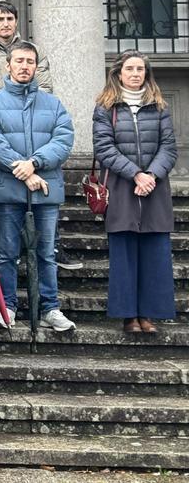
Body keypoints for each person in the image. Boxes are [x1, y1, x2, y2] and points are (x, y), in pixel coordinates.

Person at [0, 42, 75, 332]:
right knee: (7, 253)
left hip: (45, 191)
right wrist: (24, 171)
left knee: (46, 252)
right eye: (19, 61)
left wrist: (34, 162)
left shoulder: (53, 104)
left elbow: (63, 139)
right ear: (8, 65)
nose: (24, 66)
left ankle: (50, 308)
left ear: (36, 67)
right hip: (8, 191)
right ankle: (6, 307)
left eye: (29, 62)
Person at [92, 50, 178, 333]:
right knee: (124, 253)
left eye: (140, 69)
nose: (135, 73)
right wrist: (135, 174)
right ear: (118, 73)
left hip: (155, 188)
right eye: (130, 68)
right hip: (121, 187)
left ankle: (149, 315)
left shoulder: (159, 106)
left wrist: (151, 174)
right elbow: (104, 148)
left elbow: (168, 147)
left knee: (154, 252)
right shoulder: (106, 107)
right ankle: (129, 316)